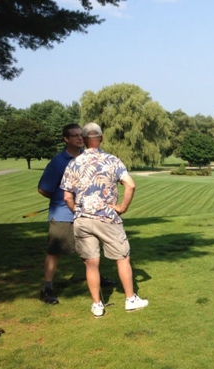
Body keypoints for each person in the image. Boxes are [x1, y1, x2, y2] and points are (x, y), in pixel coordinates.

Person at [60, 122, 148, 318]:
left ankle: (97, 305)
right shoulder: (112, 161)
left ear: (83, 139)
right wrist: (122, 208)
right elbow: (130, 185)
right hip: (107, 218)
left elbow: (67, 197)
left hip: (82, 220)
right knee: (122, 258)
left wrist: (78, 211)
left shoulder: (73, 163)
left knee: (91, 263)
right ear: (101, 138)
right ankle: (130, 299)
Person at [38, 123, 115, 305]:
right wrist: (59, 198)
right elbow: (43, 189)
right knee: (55, 251)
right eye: (74, 136)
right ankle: (47, 288)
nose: (80, 138)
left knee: (89, 250)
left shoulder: (86, 158)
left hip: (84, 212)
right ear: (66, 139)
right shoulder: (58, 162)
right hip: (63, 214)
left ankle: (97, 278)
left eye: (81, 135)